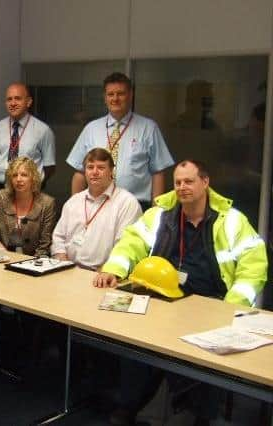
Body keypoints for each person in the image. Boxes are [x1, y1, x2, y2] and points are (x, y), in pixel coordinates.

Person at [93, 159, 267, 426]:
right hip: (161, 298)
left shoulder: (232, 221)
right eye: (177, 182)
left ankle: (200, 416)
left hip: (211, 304)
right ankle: (130, 405)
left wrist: (232, 306)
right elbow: (132, 242)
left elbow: (253, 266)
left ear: (205, 182)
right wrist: (114, 269)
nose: (182, 187)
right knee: (134, 343)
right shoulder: (161, 214)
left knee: (207, 356)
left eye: (189, 181)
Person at [66, 72, 174, 210]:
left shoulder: (148, 128)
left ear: (130, 95)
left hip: (136, 206)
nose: (115, 98)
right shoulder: (91, 129)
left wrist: (155, 211)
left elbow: (158, 173)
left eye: (120, 93)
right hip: (97, 205)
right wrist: (75, 208)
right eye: (110, 94)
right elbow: (80, 173)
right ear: (104, 98)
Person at [51, 148, 142, 269]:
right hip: (67, 269)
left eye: (101, 167)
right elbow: (58, 237)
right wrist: (62, 261)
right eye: (90, 167)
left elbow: (125, 246)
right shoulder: (73, 202)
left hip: (103, 275)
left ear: (111, 171)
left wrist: (107, 270)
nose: (95, 172)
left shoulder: (127, 203)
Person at [0, 82, 56, 218]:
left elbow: (49, 167)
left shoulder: (43, 131)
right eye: (9, 99)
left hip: (28, 192)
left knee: (25, 236)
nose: (13, 103)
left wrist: (31, 185)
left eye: (18, 98)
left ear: (28, 102)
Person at [0, 157, 56, 257]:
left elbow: (45, 245)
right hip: (3, 258)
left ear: (33, 178)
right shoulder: (2, 197)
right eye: (14, 175)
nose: (18, 179)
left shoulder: (47, 203)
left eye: (24, 175)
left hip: (33, 261)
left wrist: (31, 265)